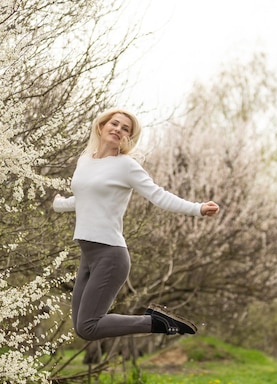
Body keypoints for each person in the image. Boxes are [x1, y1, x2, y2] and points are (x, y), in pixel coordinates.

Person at [53, 108, 220, 341]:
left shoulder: (126, 166)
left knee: (90, 325)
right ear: (101, 126)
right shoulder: (84, 161)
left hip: (110, 255)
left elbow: (158, 195)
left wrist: (197, 208)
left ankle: (156, 322)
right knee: (82, 328)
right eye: (114, 123)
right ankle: (157, 321)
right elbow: (84, 199)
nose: (118, 129)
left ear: (128, 138)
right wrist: (58, 204)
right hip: (88, 254)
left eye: (125, 129)